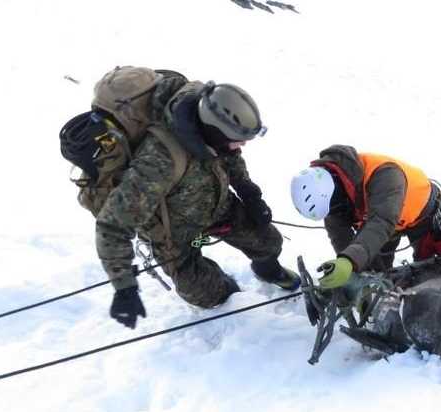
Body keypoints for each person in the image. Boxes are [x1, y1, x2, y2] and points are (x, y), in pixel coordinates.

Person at [88, 68, 299, 329]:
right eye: (237, 140)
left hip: (216, 210)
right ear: (214, 132)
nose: (241, 146)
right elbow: (112, 226)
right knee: (204, 293)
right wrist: (124, 288)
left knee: (268, 241)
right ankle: (230, 293)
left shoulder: (213, 131)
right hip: (177, 236)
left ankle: (268, 271)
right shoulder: (159, 162)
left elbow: (231, 156)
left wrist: (249, 193)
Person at [290, 145, 441, 289]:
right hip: (383, 221)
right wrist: (356, 273)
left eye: (335, 206)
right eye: (331, 210)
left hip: (420, 211)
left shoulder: (385, 174)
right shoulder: (332, 199)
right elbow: (341, 236)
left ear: (336, 189)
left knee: (428, 266)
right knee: (375, 269)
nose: (335, 212)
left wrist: (350, 260)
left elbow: (381, 222)